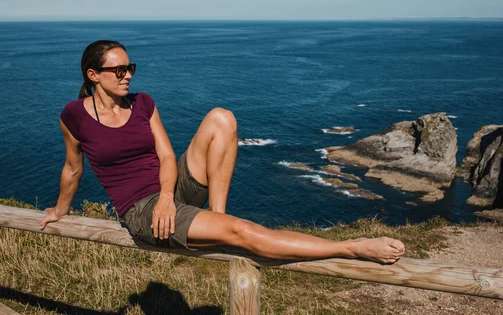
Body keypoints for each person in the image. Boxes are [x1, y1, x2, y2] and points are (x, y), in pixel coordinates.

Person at [40, 40, 405, 263]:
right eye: (117, 69)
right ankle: (350, 248)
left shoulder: (142, 103)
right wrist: (59, 210)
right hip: (142, 209)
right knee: (242, 232)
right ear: (93, 75)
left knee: (221, 118)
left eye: (130, 67)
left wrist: (169, 196)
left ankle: (217, 217)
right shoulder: (74, 116)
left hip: (171, 188)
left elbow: (167, 157)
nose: (127, 75)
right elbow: (73, 169)